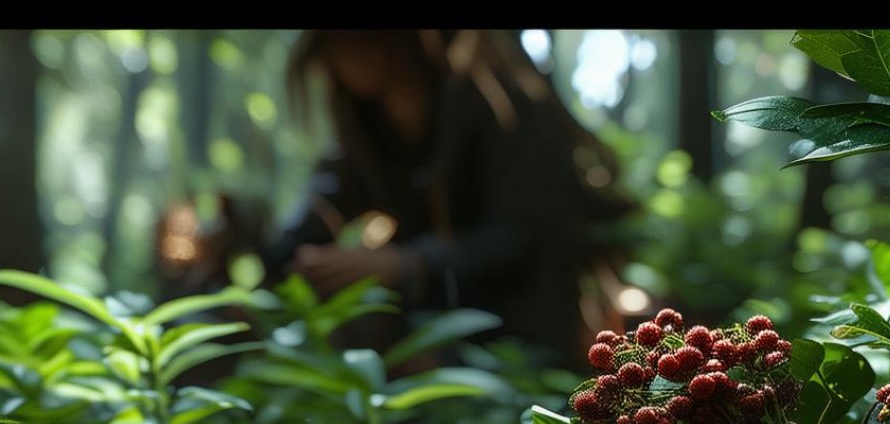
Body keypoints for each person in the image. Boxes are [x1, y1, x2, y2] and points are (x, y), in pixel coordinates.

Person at [265, 29, 635, 367]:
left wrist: (412, 265)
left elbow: (527, 231)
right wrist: (290, 256)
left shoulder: (507, 106)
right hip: (435, 333)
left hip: (519, 344)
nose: (348, 58)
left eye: (359, 41)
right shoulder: (368, 134)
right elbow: (320, 207)